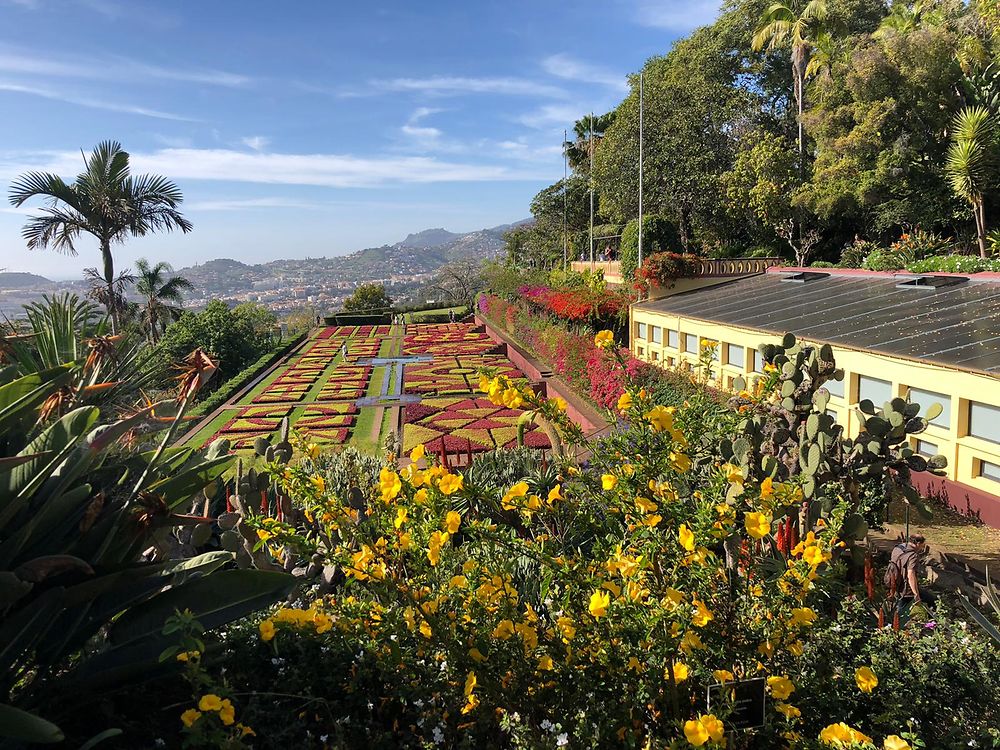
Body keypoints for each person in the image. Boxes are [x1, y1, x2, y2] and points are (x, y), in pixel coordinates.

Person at [885, 534, 933, 614]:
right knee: (902, 609)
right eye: (922, 545)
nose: (922, 548)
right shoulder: (913, 556)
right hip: (906, 587)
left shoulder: (898, 548)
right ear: (918, 543)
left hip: (894, 580)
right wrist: (915, 593)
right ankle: (895, 624)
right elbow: (911, 574)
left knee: (928, 598)